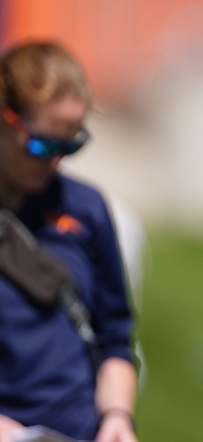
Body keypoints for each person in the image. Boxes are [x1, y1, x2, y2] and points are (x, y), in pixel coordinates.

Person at [0, 41, 139, 442]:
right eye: (43, 145)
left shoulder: (87, 208)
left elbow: (114, 336)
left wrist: (117, 417)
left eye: (71, 145)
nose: (56, 161)